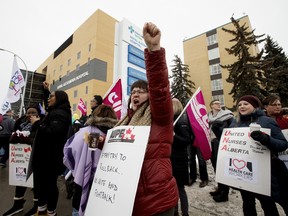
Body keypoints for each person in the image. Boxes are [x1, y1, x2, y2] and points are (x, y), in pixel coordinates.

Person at [113, 22, 179, 216]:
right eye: (133, 91)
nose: (136, 94)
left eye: (141, 92)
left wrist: (154, 51)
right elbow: (120, 149)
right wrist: (102, 143)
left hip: (158, 201)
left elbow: (159, 89)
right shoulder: (125, 120)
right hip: (130, 199)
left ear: (149, 96)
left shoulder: (159, 115)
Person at [232, 95, 288, 215]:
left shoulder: (266, 121)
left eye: (246, 104)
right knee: (247, 202)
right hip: (244, 171)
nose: (242, 106)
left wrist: (265, 138)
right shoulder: (235, 123)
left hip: (264, 172)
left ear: (255, 106)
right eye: (240, 104)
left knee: (267, 203)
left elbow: (283, 144)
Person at [63, 104, 118, 216]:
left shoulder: (84, 132)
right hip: (107, 186)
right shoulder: (117, 135)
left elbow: (68, 152)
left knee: (78, 209)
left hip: (82, 181)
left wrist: (78, 168)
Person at [29, 90, 72, 216]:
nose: (49, 98)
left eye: (51, 96)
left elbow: (53, 132)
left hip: (50, 159)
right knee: (40, 185)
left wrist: (37, 123)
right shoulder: (55, 111)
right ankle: (41, 210)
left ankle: (51, 212)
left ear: (59, 98)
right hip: (45, 157)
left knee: (49, 185)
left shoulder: (60, 113)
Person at [3, 105, 44, 216]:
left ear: (37, 114)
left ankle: (36, 206)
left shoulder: (41, 124)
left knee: (35, 182)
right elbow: (14, 135)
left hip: (35, 158)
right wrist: (17, 137)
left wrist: (26, 139)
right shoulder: (20, 123)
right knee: (20, 179)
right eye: (28, 112)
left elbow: (40, 138)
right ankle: (18, 204)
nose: (30, 114)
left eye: (33, 112)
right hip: (20, 157)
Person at [208, 99, 234, 202]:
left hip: (222, 143)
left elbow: (232, 129)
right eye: (216, 103)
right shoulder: (208, 117)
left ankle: (225, 193)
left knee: (222, 167)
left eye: (220, 103)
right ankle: (220, 188)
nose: (219, 104)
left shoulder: (228, 116)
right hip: (212, 143)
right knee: (215, 166)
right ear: (211, 106)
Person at [171, 98, 192, 216]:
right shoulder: (171, 120)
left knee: (180, 189)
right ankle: (175, 212)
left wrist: (174, 135)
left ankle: (185, 213)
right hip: (171, 158)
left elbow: (186, 140)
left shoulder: (181, 121)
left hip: (179, 160)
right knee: (172, 189)